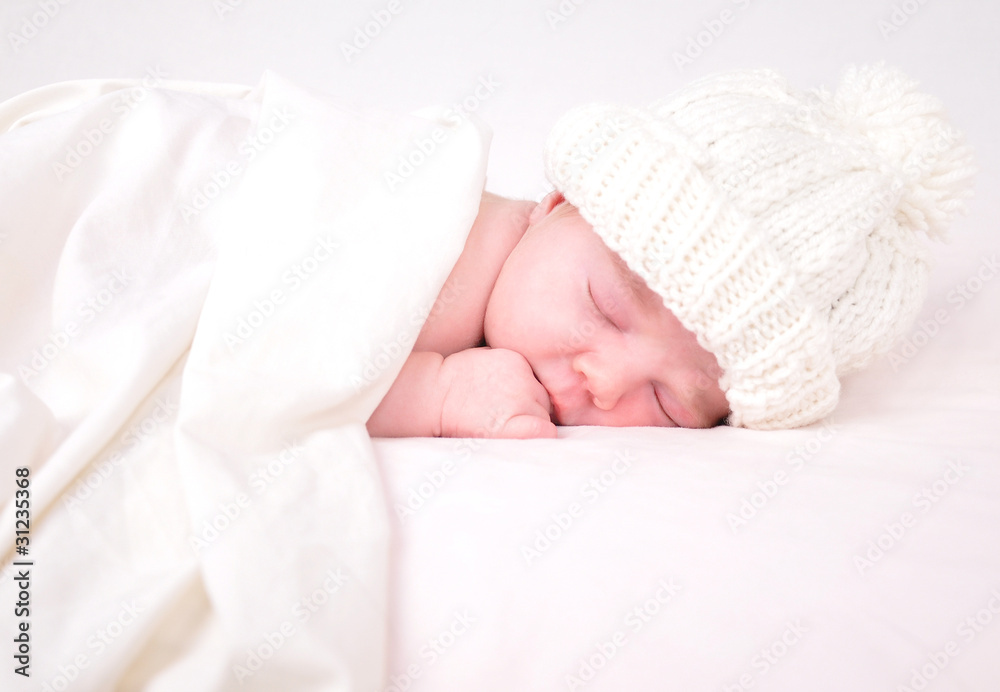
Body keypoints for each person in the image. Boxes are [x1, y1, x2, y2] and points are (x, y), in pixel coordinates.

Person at [366, 63, 976, 439]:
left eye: (669, 405)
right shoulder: (440, 226)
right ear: (558, 204)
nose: (605, 382)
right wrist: (435, 394)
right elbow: (283, 366)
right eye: (604, 305)